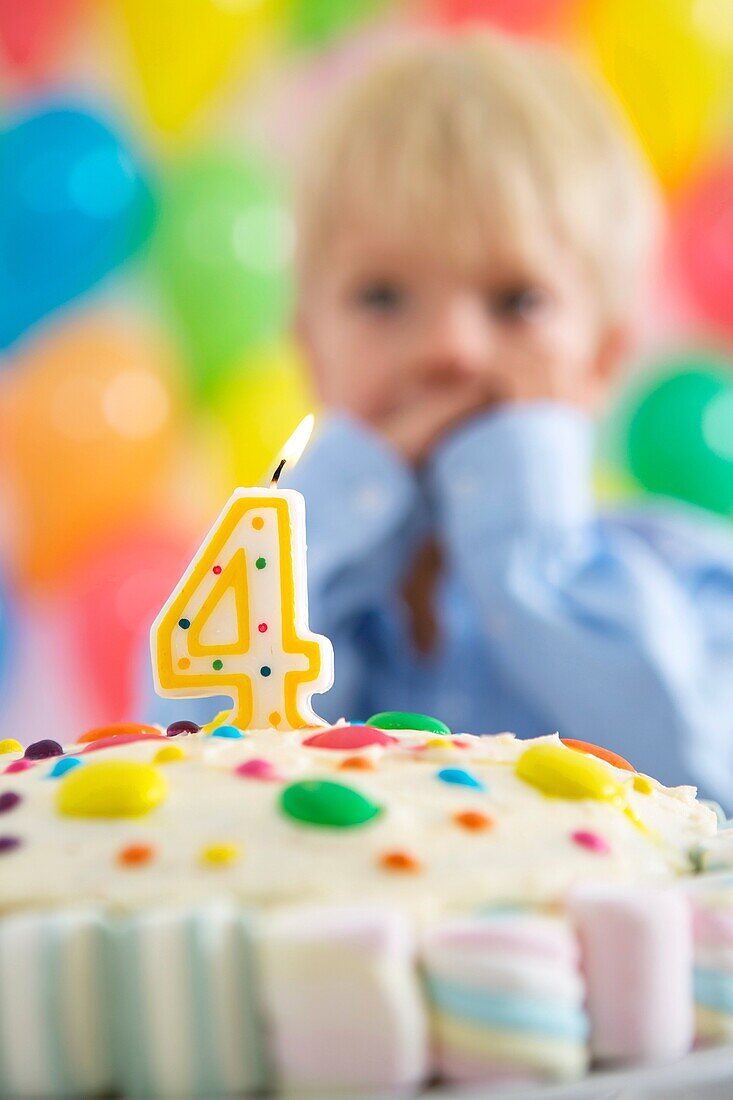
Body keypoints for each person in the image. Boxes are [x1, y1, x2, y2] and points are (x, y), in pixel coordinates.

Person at [148, 32, 733, 804]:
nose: (449, 349)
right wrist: (341, 503)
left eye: (516, 300)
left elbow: (703, 799)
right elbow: (183, 788)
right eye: (382, 297)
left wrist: (527, 536)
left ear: (602, 356)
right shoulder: (263, 586)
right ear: (311, 349)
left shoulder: (689, 581)